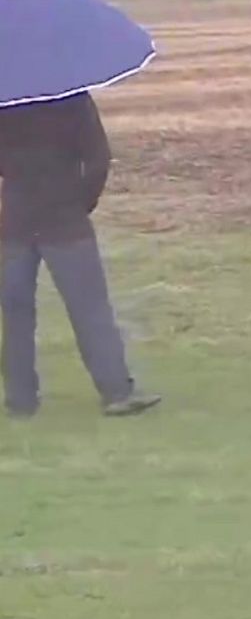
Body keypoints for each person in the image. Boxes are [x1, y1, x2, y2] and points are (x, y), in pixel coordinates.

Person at [0, 91, 160, 418]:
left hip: (15, 219)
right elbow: (98, 158)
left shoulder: (6, 97)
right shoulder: (72, 97)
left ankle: (21, 400)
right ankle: (116, 391)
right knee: (89, 308)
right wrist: (81, 202)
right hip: (64, 219)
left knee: (15, 315)